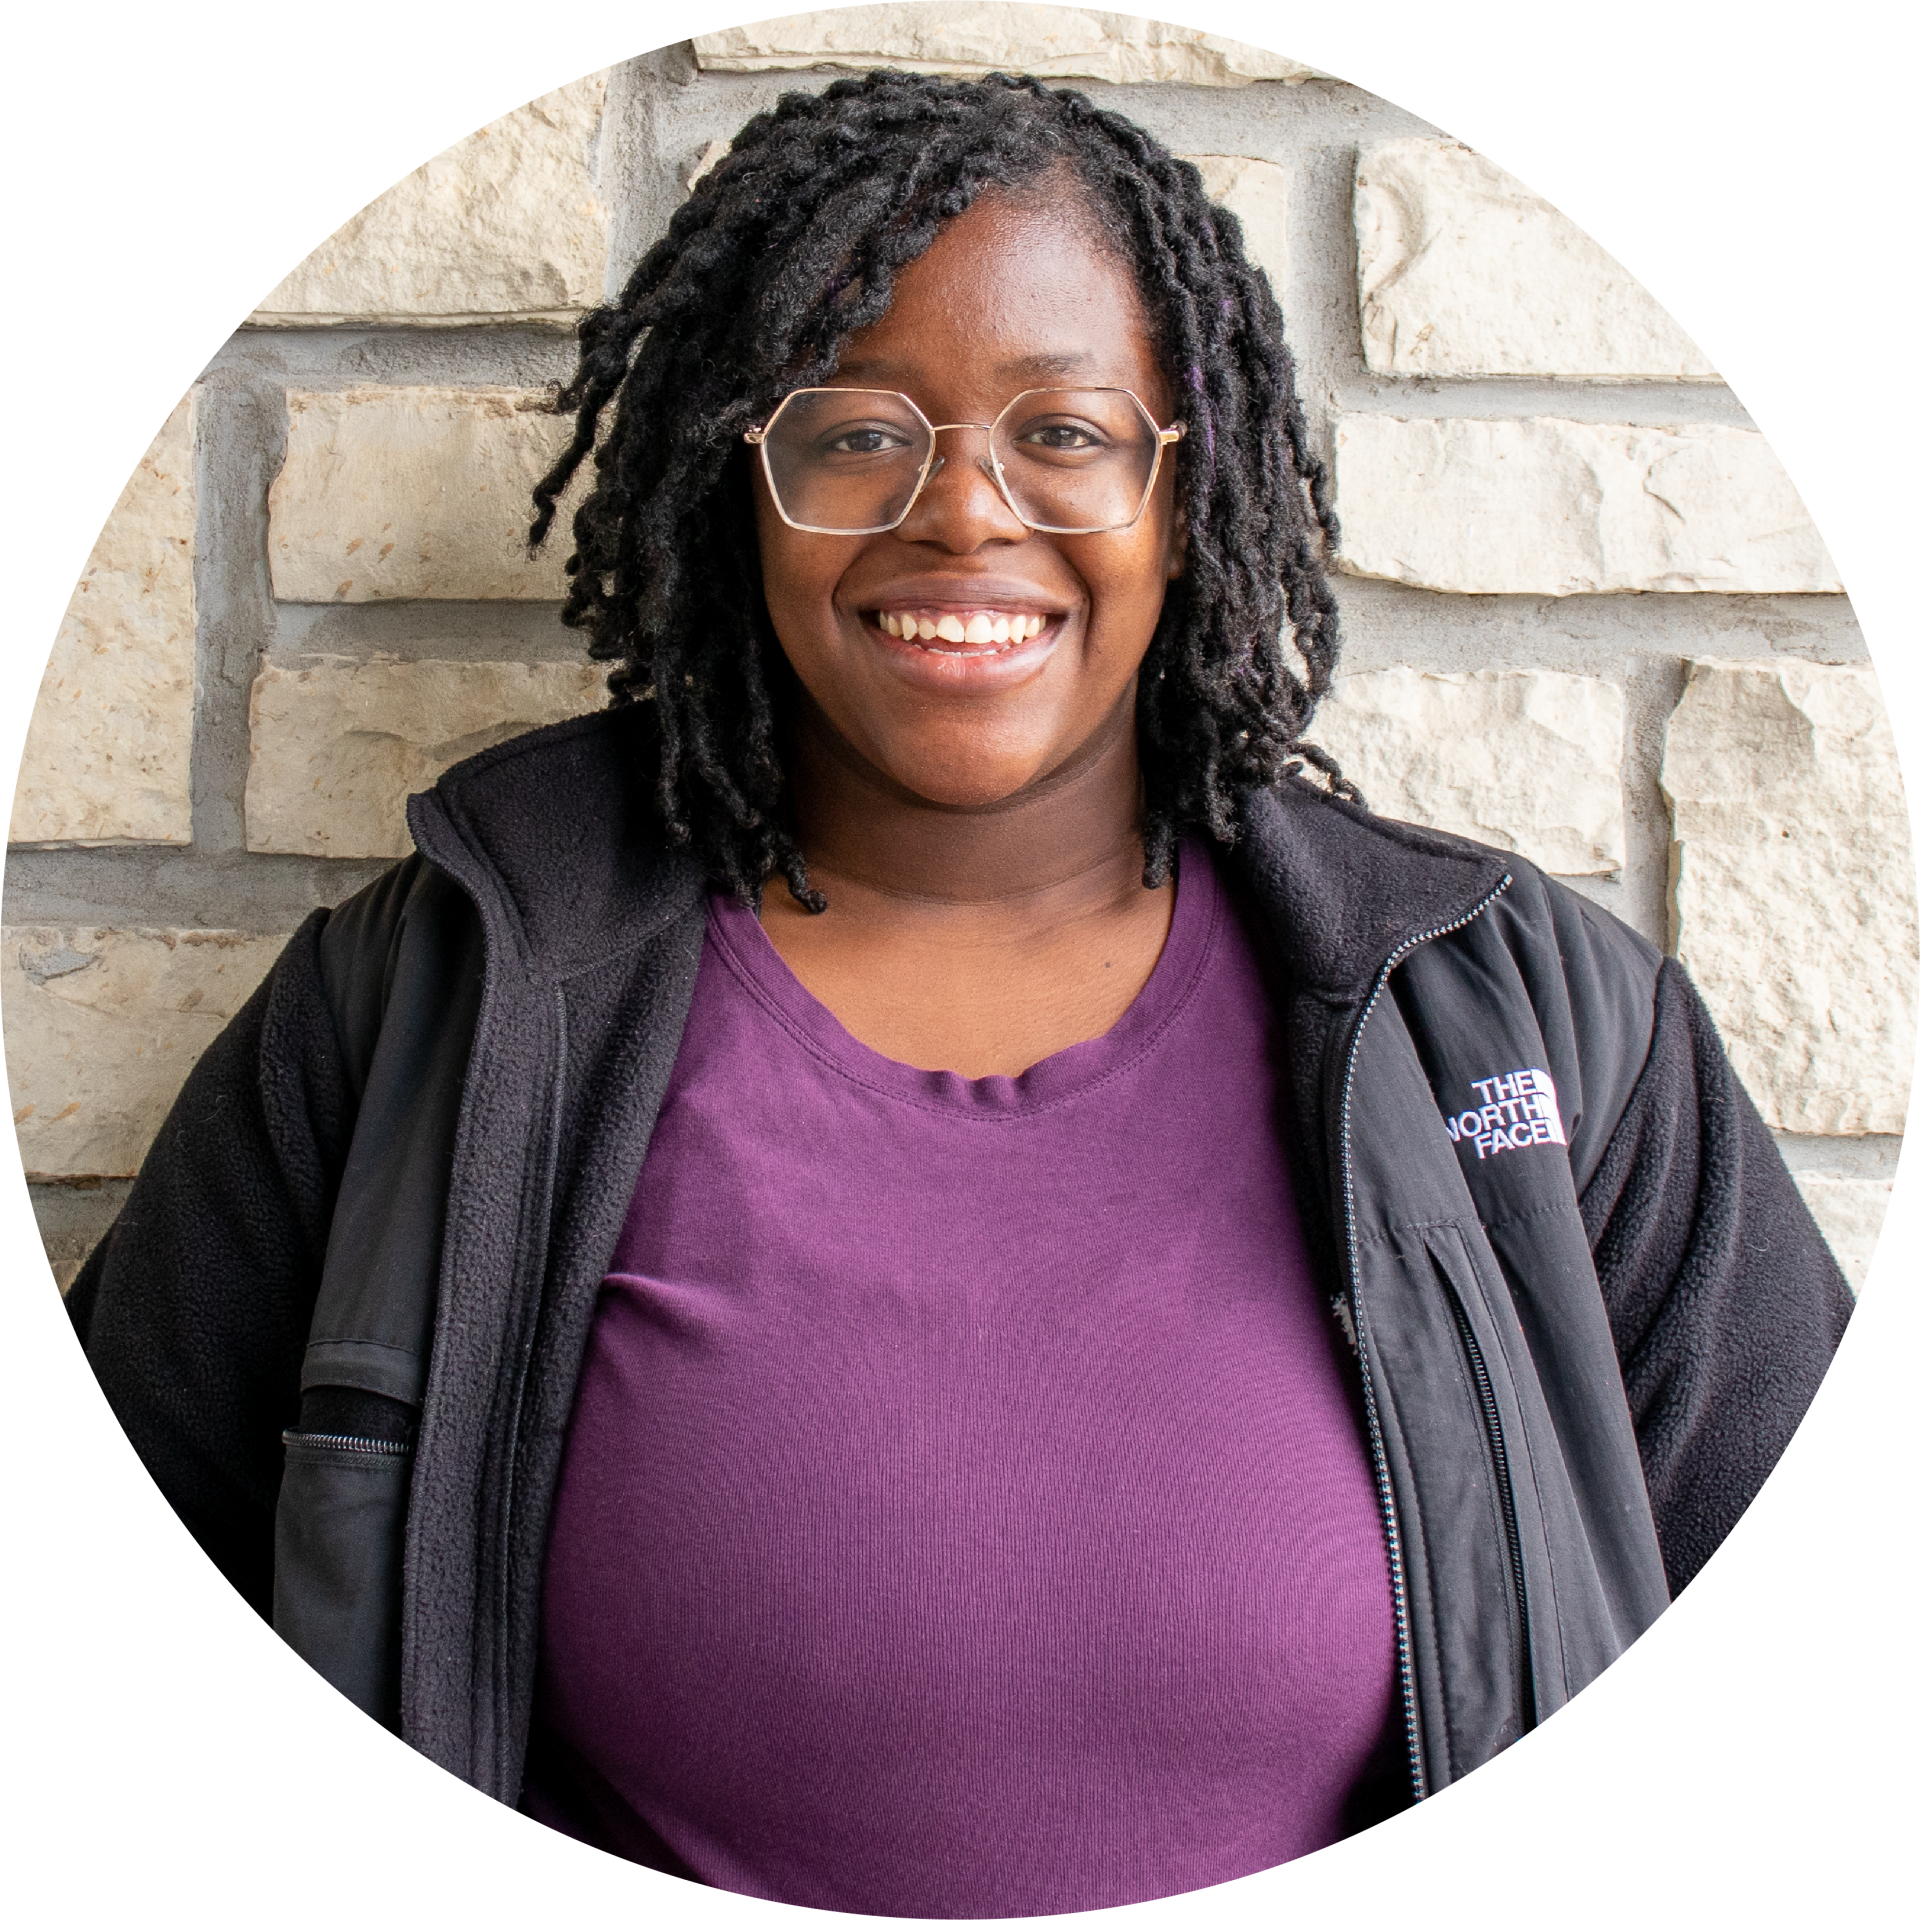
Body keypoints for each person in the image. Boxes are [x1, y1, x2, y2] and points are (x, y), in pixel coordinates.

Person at [64, 70, 1851, 1914]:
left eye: (1064, 431)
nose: (963, 519)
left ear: (1186, 480)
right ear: (734, 481)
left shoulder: (1520, 1023)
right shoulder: (425, 1008)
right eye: (855, 434)